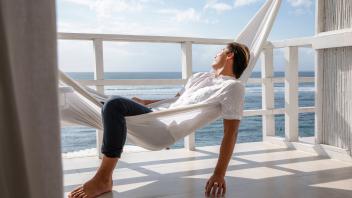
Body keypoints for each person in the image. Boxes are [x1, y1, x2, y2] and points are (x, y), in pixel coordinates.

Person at [68, 42, 250, 198]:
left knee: (114, 104)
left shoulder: (233, 88)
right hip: (153, 115)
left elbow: (231, 133)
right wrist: (145, 102)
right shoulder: (199, 77)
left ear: (230, 55)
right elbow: (176, 101)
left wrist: (219, 173)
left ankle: (103, 178)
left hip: (163, 130)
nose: (215, 54)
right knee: (96, 98)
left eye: (220, 51)